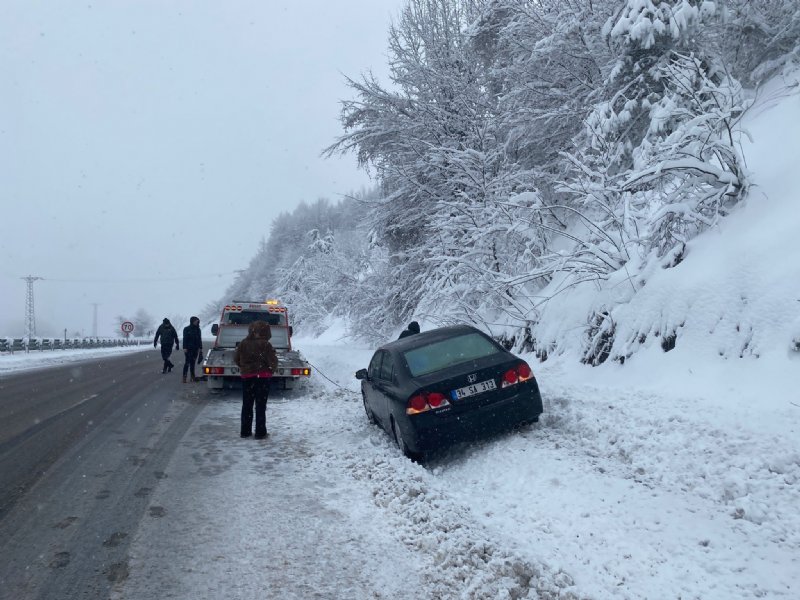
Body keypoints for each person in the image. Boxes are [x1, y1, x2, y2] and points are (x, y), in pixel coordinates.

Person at [233, 320, 278, 439]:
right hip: (262, 377)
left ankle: (245, 431)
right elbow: (272, 361)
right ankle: (260, 432)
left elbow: (236, 359)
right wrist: (270, 369)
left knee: (247, 404)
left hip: (247, 377)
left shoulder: (243, 343)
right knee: (260, 405)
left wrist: (245, 368)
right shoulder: (265, 344)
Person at [182, 316, 203, 383]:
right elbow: (185, 339)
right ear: (192, 321)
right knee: (187, 363)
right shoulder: (186, 329)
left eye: (197, 321)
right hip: (188, 349)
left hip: (195, 349)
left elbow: (199, 339)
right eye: (195, 321)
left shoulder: (198, 329)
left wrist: (200, 348)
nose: (197, 322)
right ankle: (184, 377)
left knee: (193, 363)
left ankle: (192, 376)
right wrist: (184, 347)